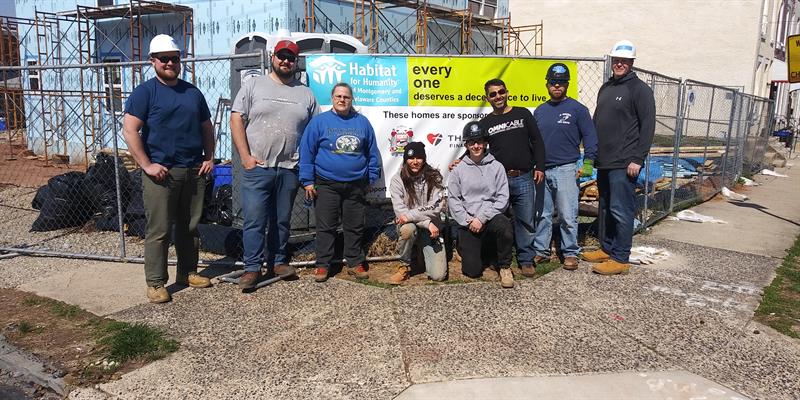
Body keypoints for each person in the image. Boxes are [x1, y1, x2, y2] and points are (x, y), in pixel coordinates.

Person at [122, 34, 214, 303]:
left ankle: (187, 273)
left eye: (175, 58)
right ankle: (155, 282)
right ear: (153, 61)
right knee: (160, 230)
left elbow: (206, 127)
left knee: (190, 226)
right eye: (164, 59)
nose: (170, 63)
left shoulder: (192, 93)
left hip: (193, 170)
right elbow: (130, 130)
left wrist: (209, 157)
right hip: (161, 175)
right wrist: (147, 165)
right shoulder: (145, 93)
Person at [230, 39, 319, 289]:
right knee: (255, 220)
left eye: (290, 57)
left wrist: (307, 164)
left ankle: (278, 261)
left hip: (290, 168)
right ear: (273, 57)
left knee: (282, 220)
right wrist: (245, 157)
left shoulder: (305, 93)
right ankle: (252, 268)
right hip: (258, 167)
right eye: (281, 56)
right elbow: (236, 119)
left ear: (296, 62)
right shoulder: (254, 85)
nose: (286, 61)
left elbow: (314, 131)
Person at [582, 40, 655, 275]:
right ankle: (607, 248)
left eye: (624, 61)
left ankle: (621, 258)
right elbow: (596, 121)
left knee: (620, 210)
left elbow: (648, 127)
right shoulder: (606, 88)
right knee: (604, 208)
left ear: (632, 62)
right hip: (604, 160)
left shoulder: (640, 90)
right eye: (617, 60)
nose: (620, 64)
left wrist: (638, 158)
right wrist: (591, 154)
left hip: (624, 162)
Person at [299, 82, 381, 283]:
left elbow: (372, 153)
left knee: (354, 226)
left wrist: (370, 177)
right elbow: (307, 152)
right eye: (338, 96)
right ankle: (322, 265)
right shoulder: (319, 122)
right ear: (332, 99)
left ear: (352, 99)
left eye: (346, 97)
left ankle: (354, 262)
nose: (342, 100)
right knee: (326, 227)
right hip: (326, 184)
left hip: (355, 185)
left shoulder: (363, 123)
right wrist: (307, 181)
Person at [478, 79, 546, 279]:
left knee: (525, 220)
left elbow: (537, 141)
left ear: (507, 92)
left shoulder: (522, 113)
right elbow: (477, 149)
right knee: (497, 220)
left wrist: (540, 166)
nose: (498, 96)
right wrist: (460, 162)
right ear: (487, 98)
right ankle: (497, 259)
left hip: (524, 176)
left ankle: (526, 260)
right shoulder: (486, 123)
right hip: (498, 181)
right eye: (493, 94)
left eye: (501, 92)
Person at [532, 63, 598, 270]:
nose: (557, 86)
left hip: (567, 169)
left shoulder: (578, 110)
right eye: (553, 82)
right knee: (542, 214)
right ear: (547, 85)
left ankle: (570, 252)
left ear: (567, 84)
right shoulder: (540, 111)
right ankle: (541, 250)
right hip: (542, 170)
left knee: (568, 214)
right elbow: (533, 141)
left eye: (561, 82)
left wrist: (588, 162)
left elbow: (590, 137)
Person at [448, 121, 515, 288]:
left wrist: (482, 218)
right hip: (469, 222)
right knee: (472, 271)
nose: (476, 145)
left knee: (505, 226)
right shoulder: (458, 170)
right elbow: (454, 199)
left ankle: (504, 266)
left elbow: (502, 198)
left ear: (485, 143)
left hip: (490, 217)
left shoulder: (497, 167)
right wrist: (468, 220)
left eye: (479, 141)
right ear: (466, 145)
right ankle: (466, 248)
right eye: (472, 142)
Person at [389, 141, 447, 284]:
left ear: (424, 159)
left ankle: (421, 253)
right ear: (405, 159)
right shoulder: (397, 180)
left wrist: (414, 217)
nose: (415, 162)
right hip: (416, 225)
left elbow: (436, 207)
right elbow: (401, 213)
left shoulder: (434, 176)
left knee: (438, 276)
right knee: (408, 230)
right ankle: (404, 266)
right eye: (411, 158)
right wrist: (427, 223)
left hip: (432, 228)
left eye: (419, 158)